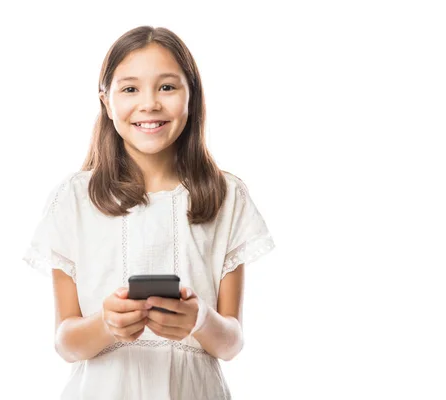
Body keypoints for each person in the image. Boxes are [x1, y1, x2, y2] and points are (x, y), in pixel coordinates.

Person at [22, 25, 276, 400]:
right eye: (130, 89)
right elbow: (66, 343)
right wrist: (108, 323)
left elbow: (231, 344)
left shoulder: (226, 196)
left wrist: (200, 319)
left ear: (193, 96)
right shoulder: (75, 199)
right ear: (106, 102)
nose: (149, 104)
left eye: (167, 87)